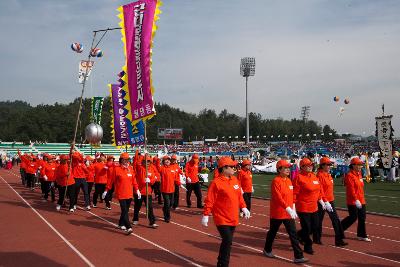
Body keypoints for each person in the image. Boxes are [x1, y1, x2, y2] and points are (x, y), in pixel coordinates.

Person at [202, 156, 250, 267]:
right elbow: (210, 199)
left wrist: (243, 207)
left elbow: (239, 196)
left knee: (228, 242)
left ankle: (221, 261)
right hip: (221, 217)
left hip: (233, 217)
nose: (235, 168)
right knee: (227, 240)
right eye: (232, 166)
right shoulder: (216, 183)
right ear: (224, 168)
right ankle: (223, 264)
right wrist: (206, 214)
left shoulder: (235, 180)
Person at [263, 159, 308, 264]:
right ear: (279, 169)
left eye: (289, 168)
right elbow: (278, 198)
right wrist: (288, 208)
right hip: (278, 213)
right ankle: (267, 249)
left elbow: (292, 196)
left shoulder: (288, 180)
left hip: (288, 213)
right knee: (272, 232)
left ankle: (298, 256)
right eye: (286, 168)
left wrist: (293, 207)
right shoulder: (276, 181)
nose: (289, 170)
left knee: (293, 234)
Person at [293, 157, 326, 255]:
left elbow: (318, 189)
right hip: (303, 207)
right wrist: (293, 205)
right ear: (302, 167)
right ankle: (308, 246)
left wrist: (321, 200)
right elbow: (294, 193)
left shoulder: (314, 176)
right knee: (307, 228)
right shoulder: (298, 178)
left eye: (311, 165)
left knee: (315, 227)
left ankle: (298, 235)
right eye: (307, 166)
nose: (310, 167)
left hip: (314, 207)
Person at [313, 157, 347, 246]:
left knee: (336, 220)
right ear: (322, 165)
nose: (329, 166)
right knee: (318, 220)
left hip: (330, 200)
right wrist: (324, 201)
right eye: (327, 165)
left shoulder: (328, 174)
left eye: (330, 165)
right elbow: (320, 190)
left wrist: (329, 200)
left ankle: (339, 239)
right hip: (322, 201)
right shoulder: (319, 175)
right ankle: (316, 238)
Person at [103, 152, 139, 234]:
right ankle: (128, 227)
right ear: (121, 160)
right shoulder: (116, 169)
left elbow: (134, 181)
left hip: (129, 193)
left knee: (125, 210)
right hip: (121, 193)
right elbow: (110, 180)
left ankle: (120, 223)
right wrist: (106, 190)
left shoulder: (130, 168)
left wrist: (137, 190)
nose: (126, 161)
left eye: (127, 159)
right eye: (124, 159)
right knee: (124, 210)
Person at [341, 157, 371, 242]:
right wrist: (356, 199)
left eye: (361, 165)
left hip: (361, 200)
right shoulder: (349, 175)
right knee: (353, 217)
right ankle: (339, 228)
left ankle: (362, 235)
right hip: (353, 200)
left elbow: (360, 188)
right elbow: (351, 189)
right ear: (353, 165)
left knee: (362, 218)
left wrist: (360, 199)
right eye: (358, 165)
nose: (360, 166)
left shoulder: (359, 174)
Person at [132, 154, 158, 228]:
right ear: (143, 162)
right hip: (139, 192)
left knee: (150, 207)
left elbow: (153, 180)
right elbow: (136, 163)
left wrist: (150, 181)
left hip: (148, 192)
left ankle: (152, 222)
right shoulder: (140, 168)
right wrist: (139, 154)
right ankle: (135, 219)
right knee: (137, 207)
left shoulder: (151, 169)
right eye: (145, 161)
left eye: (148, 161)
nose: (147, 163)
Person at [159, 155, 181, 222]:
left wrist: (179, 183)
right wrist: (159, 158)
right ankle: (167, 217)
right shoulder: (162, 168)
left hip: (172, 189)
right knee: (167, 203)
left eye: (168, 159)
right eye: (166, 160)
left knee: (171, 203)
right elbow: (156, 166)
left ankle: (164, 209)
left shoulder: (172, 168)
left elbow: (175, 178)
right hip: (164, 190)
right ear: (163, 161)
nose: (167, 161)